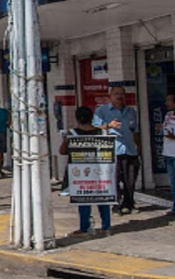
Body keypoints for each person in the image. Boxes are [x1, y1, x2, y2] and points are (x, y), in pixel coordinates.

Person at [60, 106, 112, 237]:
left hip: (79, 173)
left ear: (77, 118)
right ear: (92, 118)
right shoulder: (102, 133)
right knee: (103, 199)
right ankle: (106, 227)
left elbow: (62, 151)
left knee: (83, 199)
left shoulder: (71, 134)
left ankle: (85, 228)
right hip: (100, 172)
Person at [93, 86, 140, 215]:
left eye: (122, 94)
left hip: (130, 150)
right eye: (116, 94)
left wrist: (138, 148)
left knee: (130, 180)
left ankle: (129, 204)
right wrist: (109, 126)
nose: (119, 96)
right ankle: (116, 205)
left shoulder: (131, 111)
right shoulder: (102, 111)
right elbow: (95, 128)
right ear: (110, 96)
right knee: (114, 179)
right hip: (112, 151)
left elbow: (135, 131)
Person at [159, 94, 175, 216]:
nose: (166, 103)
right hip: (169, 152)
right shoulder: (168, 115)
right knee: (172, 182)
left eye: (169, 101)